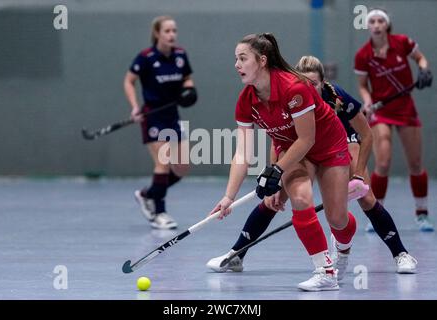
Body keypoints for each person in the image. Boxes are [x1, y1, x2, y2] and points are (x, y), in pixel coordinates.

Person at [206, 55, 418, 279]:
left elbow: (365, 134)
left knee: (366, 199)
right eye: (304, 82)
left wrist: (359, 173)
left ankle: (401, 253)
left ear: (323, 82)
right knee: (274, 198)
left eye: (314, 84)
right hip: (304, 148)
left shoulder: (337, 96)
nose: (308, 87)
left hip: (341, 142)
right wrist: (273, 177)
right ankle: (237, 253)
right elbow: (278, 140)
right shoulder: (293, 96)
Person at [208, 33, 358, 291]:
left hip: (328, 144)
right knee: (300, 196)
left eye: (243, 58)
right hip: (293, 148)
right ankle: (325, 271)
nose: (237, 65)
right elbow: (243, 153)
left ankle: (343, 246)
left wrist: (276, 170)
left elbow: (307, 139)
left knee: (337, 219)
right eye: (236, 59)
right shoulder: (247, 100)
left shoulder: (294, 88)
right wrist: (228, 197)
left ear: (262, 61)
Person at [354, 8, 433, 232]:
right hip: (382, 111)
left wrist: (424, 69)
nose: (377, 24)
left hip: (405, 108)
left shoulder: (402, 42)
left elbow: (420, 58)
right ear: (368, 26)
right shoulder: (363, 55)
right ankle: (376, 214)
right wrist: (368, 101)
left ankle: (422, 214)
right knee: (383, 163)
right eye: (372, 21)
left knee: (416, 164)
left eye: (380, 21)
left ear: (386, 24)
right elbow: (362, 85)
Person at [123, 15, 197, 229]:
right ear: (157, 33)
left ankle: (147, 194)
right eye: (167, 31)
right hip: (152, 116)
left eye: (174, 30)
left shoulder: (180, 55)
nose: (172, 34)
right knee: (163, 162)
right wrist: (135, 106)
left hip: (172, 116)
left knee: (182, 167)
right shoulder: (146, 57)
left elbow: (187, 78)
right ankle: (159, 212)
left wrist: (189, 90)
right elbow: (128, 81)